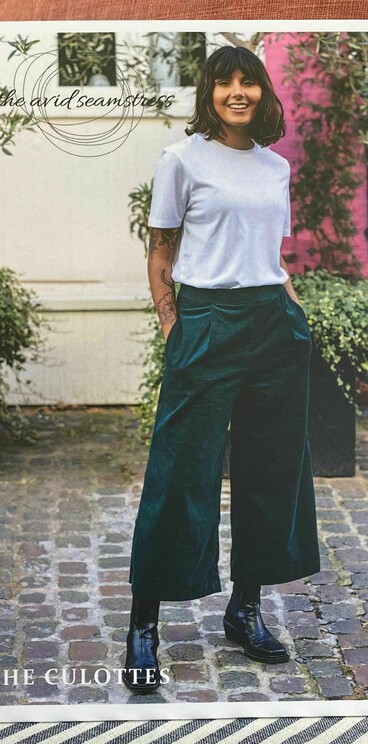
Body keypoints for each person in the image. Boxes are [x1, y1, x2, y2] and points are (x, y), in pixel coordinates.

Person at [123, 45, 320, 693]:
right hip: (205, 324)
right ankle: (144, 624)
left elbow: (272, 255)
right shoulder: (181, 160)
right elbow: (161, 251)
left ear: (262, 92)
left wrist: (296, 320)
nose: (238, 93)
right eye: (225, 83)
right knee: (180, 470)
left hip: (271, 323)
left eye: (249, 82)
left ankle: (244, 608)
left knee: (270, 471)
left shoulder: (274, 167)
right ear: (209, 92)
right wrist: (174, 327)